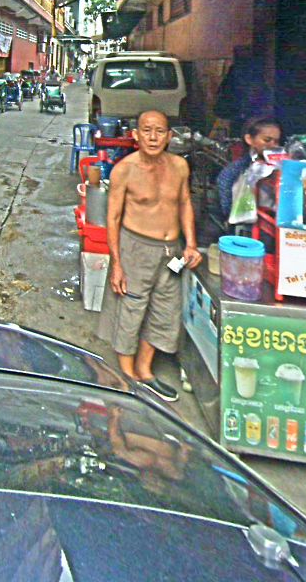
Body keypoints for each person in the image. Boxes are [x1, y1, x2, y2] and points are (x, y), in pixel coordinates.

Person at [97, 109, 201, 402]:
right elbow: (113, 218)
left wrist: (191, 244)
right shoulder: (124, 170)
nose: (153, 137)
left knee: (165, 308)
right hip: (136, 249)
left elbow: (185, 203)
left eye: (159, 131)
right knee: (131, 307)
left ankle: (145, 370)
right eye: (146, 130)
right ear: (135, 135)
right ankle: (127, 375)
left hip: (172, 253)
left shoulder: (180, 166)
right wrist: (117, 264)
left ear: (169, 136)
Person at [216, 117, 284, 219]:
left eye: (276, 141)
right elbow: (227, 208)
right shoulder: (234, 171)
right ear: (249, 139)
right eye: (267, 140)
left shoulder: (283, 167)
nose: (273, 145)